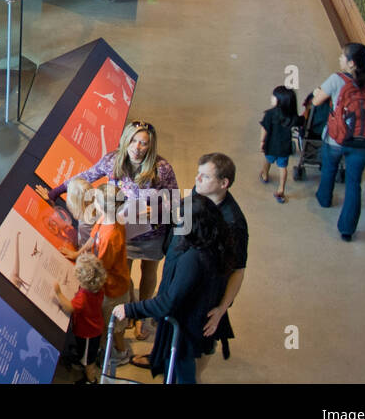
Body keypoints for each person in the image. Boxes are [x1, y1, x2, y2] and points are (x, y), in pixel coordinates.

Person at [41, 121, 177, 340]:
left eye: (144, 143)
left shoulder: (162, 169)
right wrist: (55, 191)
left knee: (149, 274)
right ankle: (131, 309)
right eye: (133, 141)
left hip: (152, 233)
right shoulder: (113, 160)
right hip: (123, 232)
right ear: (126, 140)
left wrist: (158, 209)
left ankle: (142, 316)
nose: (137, 147)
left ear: (151, 146)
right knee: (125, 274)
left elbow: (175, 199)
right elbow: (87, 175)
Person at [112, 192, 228, 384]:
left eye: (181, 219)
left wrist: (130, 309)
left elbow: (169, 302)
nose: (177, 221)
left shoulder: (194, 258)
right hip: (186, 318)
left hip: (186, 326)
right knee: (173, 365)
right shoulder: (210, 239)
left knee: (182, 371)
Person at [310, 42, 365, 241]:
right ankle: (347, 229)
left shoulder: (337, 79)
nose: (339, 59)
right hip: (363, 144)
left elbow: (316, 102)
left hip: (336, 138)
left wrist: (318, 92)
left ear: (351, 63)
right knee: (354, 184)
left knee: (329, 168)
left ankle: (324, 199)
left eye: (342, 57)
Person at [61, 180, 131, 366]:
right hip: (105, 284)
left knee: (114, 325)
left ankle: (121, 352)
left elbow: (101, 268)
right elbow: (93, 238)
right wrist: (77, 253)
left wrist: (83, 273)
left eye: (96, 199)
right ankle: (103, 347)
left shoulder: (112, 236)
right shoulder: (104, 218)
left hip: (114, 289)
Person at [193, 152, 247, 379]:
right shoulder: (200, 194)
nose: (197, 179)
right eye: (198, 173)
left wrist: (221, 309)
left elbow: (238, 270)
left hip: (211, 291)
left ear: (223, 183)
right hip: (193, 277)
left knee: (206, 337)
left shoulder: (233, 223)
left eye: (204, 176)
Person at [54, 252, 107, 384]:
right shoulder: (98, 289)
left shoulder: (83, 297)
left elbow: (70, 307)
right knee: (87, 353)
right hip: (95, 328)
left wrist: (58, 293)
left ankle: (91, 379)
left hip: (88, 333)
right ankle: (84, 358)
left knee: (89, 361)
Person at [260, 86, 298, 202]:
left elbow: (264, 128)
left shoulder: (270, 114)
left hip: (271, 145)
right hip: (284, 147)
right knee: (283, 167)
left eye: (274, 96)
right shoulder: (292, 116)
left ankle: (265, 175)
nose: (271, 97)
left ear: (280, 101)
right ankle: (281, 189)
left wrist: (262, 141)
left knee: (267, 160)